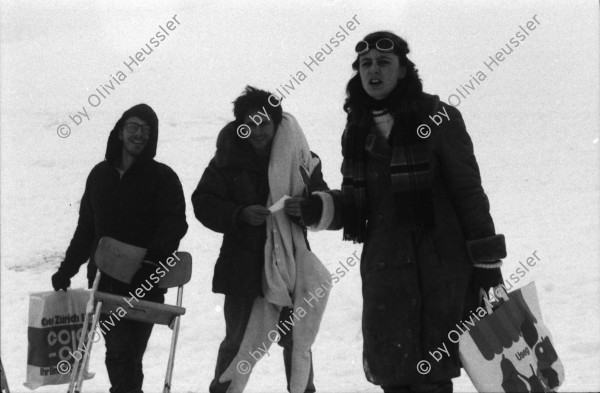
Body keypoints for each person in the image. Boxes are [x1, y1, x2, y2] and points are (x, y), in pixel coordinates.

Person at [293, 31, 507, 393]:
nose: (373, 70)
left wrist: (487, 267)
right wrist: (320, 207)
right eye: (365, 64)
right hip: (385, 270)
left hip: (439, 269)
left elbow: (469, 194)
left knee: (431, 374)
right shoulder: (356, 128)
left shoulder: (439, 118)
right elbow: (356, 201)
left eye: (383, 62)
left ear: (403, 70)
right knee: (391, 371)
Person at [192, 86, 329, 393]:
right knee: (238, 343)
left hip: (291, 267)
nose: (256, 131)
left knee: (297, 342)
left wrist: (307, 208)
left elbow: (323, 198)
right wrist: (239, 214)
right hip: (242, 270)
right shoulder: (226, 160)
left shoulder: (303, 158)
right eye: (249, 124)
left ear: (276, 122)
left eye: (263, 122)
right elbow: (203, 202)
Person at [50, 103, 188, 393]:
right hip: (105, 281)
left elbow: (174, 226)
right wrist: (67, 269)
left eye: (146, 130)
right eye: (133, 127)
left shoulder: (163, 178)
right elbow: (87, 230)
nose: (139, 135)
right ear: (120, 132)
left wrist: (150, 266)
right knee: (119, 352)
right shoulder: (99, 176)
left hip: (146, 283)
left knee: (131, 355)